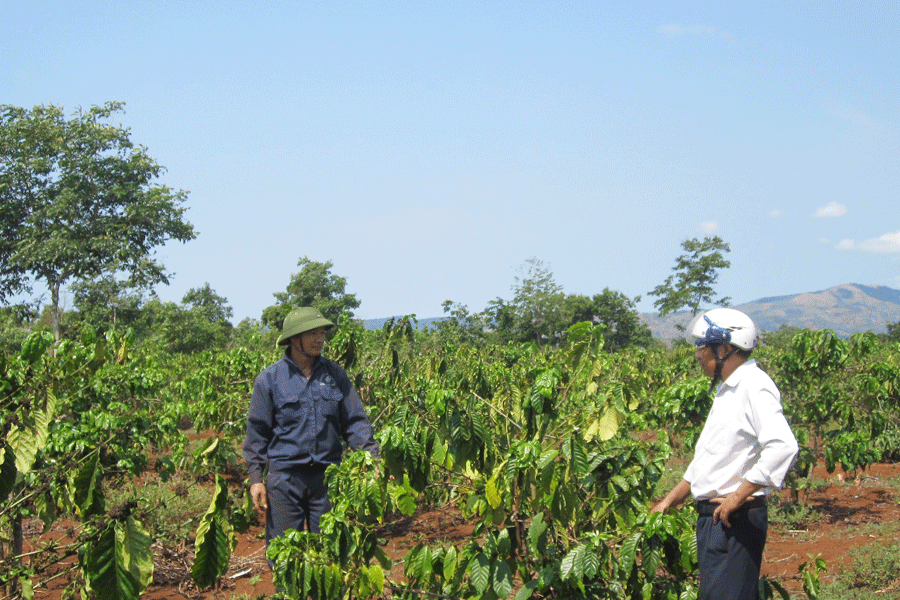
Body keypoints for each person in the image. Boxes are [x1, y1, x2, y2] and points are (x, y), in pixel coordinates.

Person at [651, 308, 798, 600]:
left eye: (701, 347)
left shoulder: (754, 386)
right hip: (715, 519)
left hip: (734, 520)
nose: (697, 355)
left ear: (724, 348)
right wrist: (670, 500)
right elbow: (709, 460)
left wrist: (736, 498)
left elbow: (783, 445)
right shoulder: (728, 390)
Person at [243, 306, 380, 547]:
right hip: (285, 479)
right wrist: (256, 478)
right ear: (295, 339)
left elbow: (355, 422)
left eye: (323, 334)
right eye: (313, 334)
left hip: (327, 478)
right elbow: (257, 433)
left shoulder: (335, 374)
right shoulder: (269, 379)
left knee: (331, 550)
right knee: (285, 552)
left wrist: (372, 459)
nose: (320, 339)